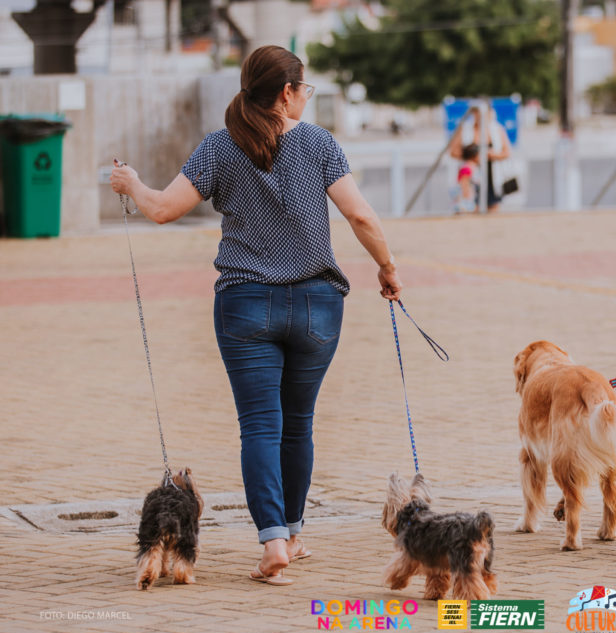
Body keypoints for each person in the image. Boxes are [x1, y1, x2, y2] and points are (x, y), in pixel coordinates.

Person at [110, 45, 402, 586]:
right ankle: (292, 531)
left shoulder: (220, 147)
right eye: (304, 90)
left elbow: (162, 210)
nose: (304, 99)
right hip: (317, 306)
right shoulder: (318, 144)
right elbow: (360, 213)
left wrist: (131, 184)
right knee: (299, 424)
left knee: (260, 427)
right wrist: (387, 267)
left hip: (245, 305)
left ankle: (273, 544)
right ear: (287, 93)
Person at [448, 105, 512, 212]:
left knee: (493, 208)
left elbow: (506, 152)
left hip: (492, 176)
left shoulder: (496, 129)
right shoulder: (465, 129)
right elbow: (453, 151)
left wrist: (491, 155)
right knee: (470, 206)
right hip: (471, 175)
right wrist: (472, 156)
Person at [455, 143, 480, 214]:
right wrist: (467, 202)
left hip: (471, 199)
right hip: (466, 201)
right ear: (474, 156)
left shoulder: (473, 167)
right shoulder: (467, 168)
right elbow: (464, 185)